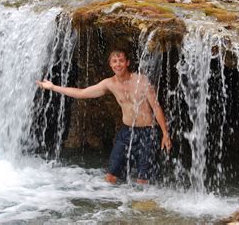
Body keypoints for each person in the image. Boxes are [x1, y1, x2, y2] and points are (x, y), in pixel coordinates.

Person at [36, 49, 172, 184]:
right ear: (110, 65)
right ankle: (115, 204)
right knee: (111, 176)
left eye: (121, 61)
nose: (118, 64)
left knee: (143, 179)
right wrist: (53, 87)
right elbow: (82, 93)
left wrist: (165, 133)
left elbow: (156, 106)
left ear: (127, 63)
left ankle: (142, 204)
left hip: (147, 132)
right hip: (126, 132)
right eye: (114, 61)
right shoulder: (109, 84)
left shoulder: (141, 81)